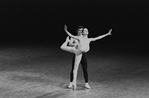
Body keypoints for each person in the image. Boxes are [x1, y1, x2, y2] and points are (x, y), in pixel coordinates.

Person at [61, 25, 112, 89]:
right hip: (77, 52)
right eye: (83, 30)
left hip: (83, 54)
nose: (84, 31)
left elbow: (98, 37)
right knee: (74, 68)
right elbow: (71, 38)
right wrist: (66, 31)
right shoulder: (78, 38)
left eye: (85, 30)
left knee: (84, 69)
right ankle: (72, 83)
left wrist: (107, 34)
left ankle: (86, 83)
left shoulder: (88, 39)